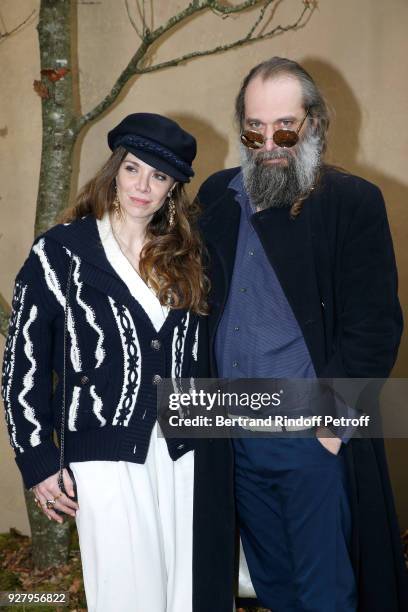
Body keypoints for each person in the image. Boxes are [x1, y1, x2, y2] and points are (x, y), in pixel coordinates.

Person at [197, 57, 408, 611]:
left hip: (307, 434)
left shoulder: (351, 202)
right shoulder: (217, 197)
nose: (270, 141)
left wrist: (333, 427)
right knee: (273, 586)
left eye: (285, 125)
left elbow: (375, 325)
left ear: (312, 122)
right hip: (232, 433)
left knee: (325, 593)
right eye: (255, 128)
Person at [1, 113, 235, 612]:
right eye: (133, 169)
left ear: (173, 188)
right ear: (114, 170)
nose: (143, 186)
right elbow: (23, 362)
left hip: (186, 454)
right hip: (103, 452)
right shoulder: (61, 253)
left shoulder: (191, 257)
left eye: (160, 176)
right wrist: (39, 458)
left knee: (188, 595)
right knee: (128, 597)